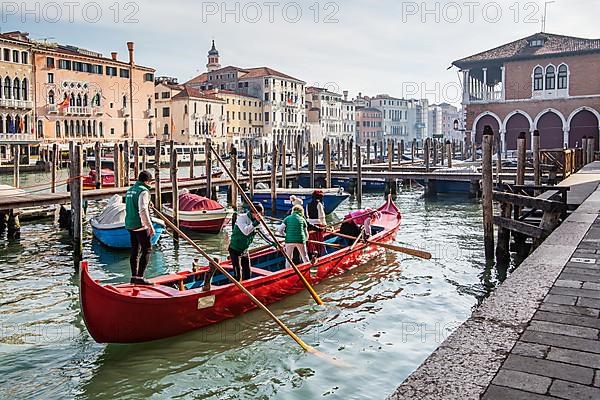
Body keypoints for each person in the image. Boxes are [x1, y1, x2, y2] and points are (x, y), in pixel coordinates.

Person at [125, 170, 155, 285]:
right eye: (150, 182)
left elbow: (134, 204)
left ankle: (133, 277)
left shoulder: (130, 190)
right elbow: (142, 210)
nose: (151, 184)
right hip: (140, 224)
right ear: (147, 181)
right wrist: (150, 226)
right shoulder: (143, 191)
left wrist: (148, 204)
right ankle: (140, 277)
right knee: (147, 249)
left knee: (135, 251)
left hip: (129, 224)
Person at [228, 202, 266, 281]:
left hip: (245, 250)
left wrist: (275, 244)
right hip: (235, 249)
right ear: (254, 213)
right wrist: (256, 223)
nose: (261, 216)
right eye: (259, 214)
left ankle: (246, 287)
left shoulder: (258, 221)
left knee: (248, 273)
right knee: (238, 274)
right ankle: (236, 288)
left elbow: (265, 233)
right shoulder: (242, 218)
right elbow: (246, 231)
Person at [306, 190, 326, 257]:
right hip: (318, 225)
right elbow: (322, 216)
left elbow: (307, 216)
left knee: (311, 240)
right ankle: (319, 254)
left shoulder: (307, 204)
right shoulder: (319, 204)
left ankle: (311, 252)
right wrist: (324, 226)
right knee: (318, 241)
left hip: (310, 225)